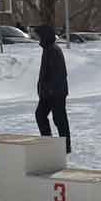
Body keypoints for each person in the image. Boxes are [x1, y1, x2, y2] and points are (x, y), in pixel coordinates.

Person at [35, 25, 71, 153]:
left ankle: (65, 146)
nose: (37, 38)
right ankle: (49, 142)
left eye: (38, 35)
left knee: (58, 118)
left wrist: (49, 90)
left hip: (55, 92)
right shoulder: (48, 49)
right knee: (41, 115)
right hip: (49, 92)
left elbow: (59, 73)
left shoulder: (53, 50)